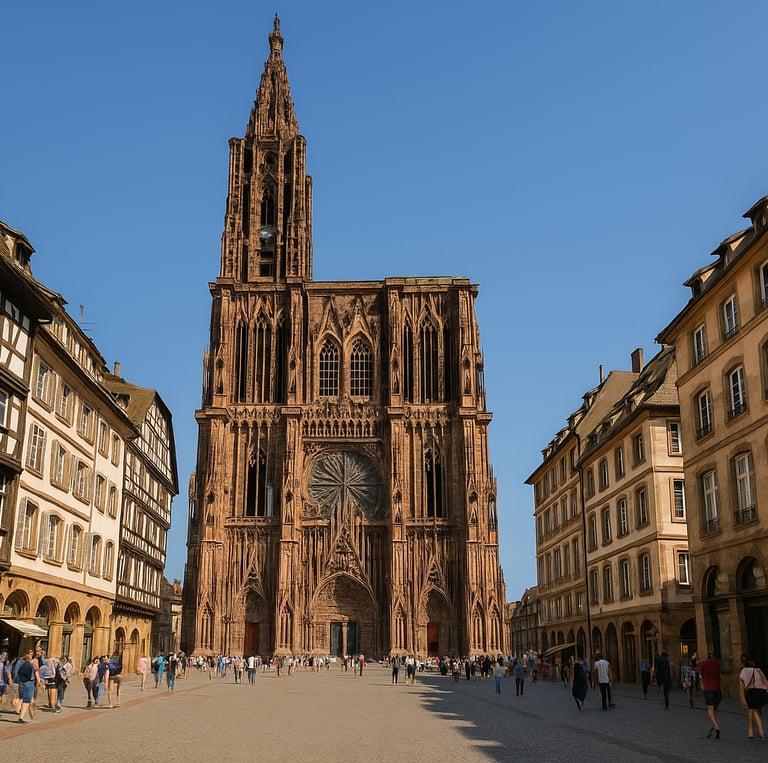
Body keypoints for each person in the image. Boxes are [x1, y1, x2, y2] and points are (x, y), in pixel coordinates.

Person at [738, 654, 767, 741]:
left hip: (751, 692)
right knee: (754, 710)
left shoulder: (743, 671)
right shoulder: (758, 670)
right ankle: (751, 731)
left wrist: (742, 699)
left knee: (753, 710)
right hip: (761, 693)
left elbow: (741, 688)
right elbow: (766, 682)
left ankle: (761, 733)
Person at [696, 651, 721, 738]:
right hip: (717, 689)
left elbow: (698, 669)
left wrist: (701, 679)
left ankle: (716, 725)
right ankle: (712, 728)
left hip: (708, 688)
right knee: (714, 709)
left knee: (710, 709)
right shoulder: (718, 662)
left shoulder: (704, 663)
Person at [13, 648, 38, 723]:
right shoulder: (25, 663)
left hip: (22, 682)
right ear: (26, 654)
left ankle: (27, 714)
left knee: (25, 699)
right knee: (26, 700)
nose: (31, 655)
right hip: (27, 682)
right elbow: (22, 673)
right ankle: (21, 717)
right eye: (30, 654)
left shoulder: (19, 662)